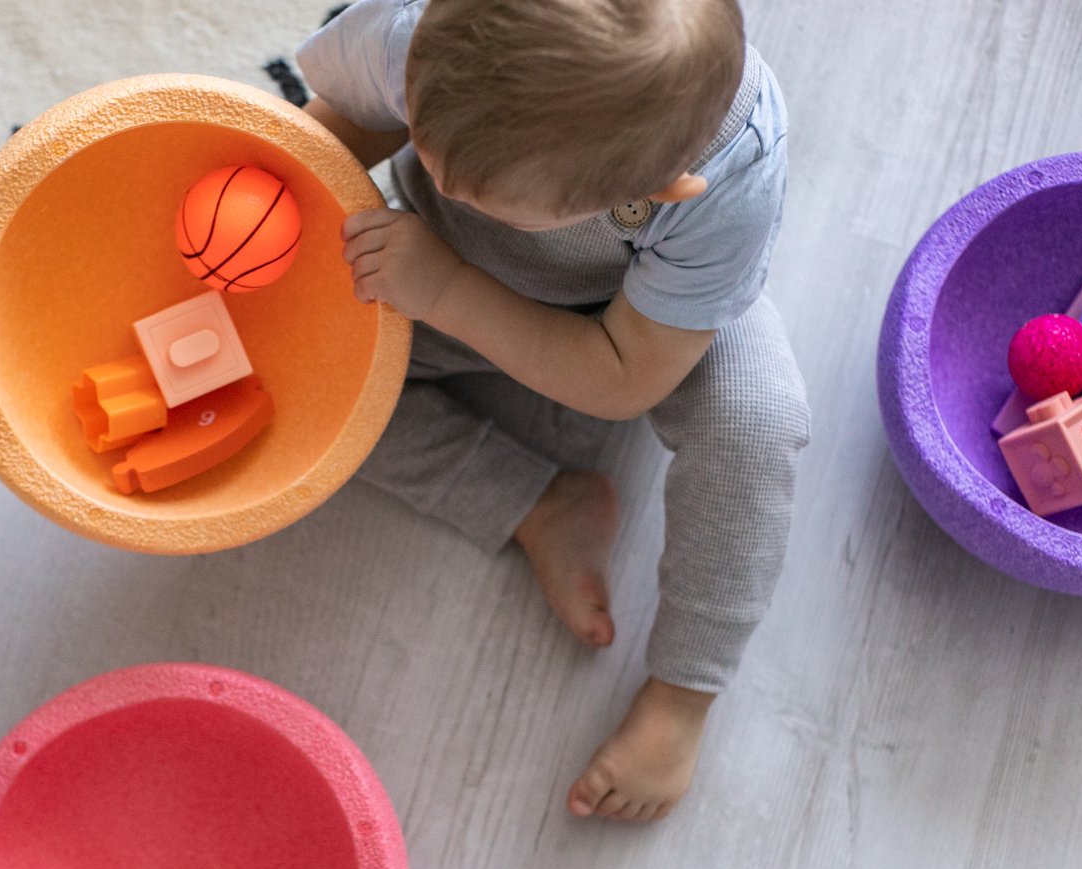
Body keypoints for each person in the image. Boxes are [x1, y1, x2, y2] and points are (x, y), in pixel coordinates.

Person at [295, 0, 810, 821]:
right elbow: (330, 129)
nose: (445, 173)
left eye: (490, 192)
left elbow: (621, 376)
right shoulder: (429, 33)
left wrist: (450, 292)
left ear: (656, 189)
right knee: (296, 388)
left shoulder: (726, 181)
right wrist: (268, 219)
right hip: (430, 257)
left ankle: (683, 693)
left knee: (756, 424)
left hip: (640, 325)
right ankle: (537, 502)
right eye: (427, 139)